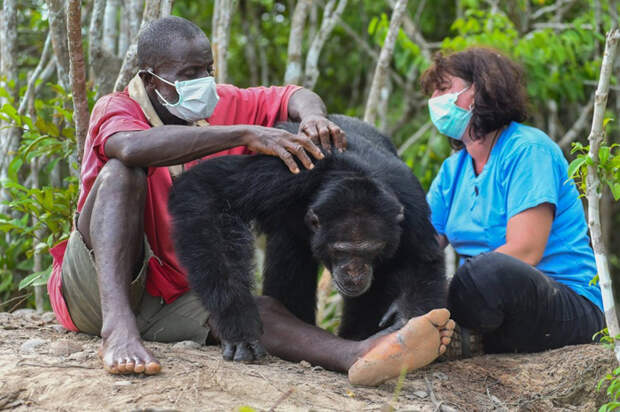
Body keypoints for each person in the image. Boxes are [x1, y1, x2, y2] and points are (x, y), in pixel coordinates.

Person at [47, 16, 454, 385]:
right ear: (151, 79)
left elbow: (296, 95)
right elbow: (131, 148)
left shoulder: (222, 102)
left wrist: (313, 116)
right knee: (121, 172)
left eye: (206, 69)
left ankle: (361, 352)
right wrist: (241, 134)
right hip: (95, 289)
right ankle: (118, 329)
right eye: (188, 73)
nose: (202, 80)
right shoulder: (117, 108)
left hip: (169, 297)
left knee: (264, 312)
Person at [421, 47, 605, 354]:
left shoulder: (529, 150)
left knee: (489, 271)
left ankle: (453, 336)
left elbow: (525, 251)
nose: (434, 102)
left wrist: (445, 292)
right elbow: (423, 246)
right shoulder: (452, 171)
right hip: (487, 308)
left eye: (443, 89)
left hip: (566, 305)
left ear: (479, 89)